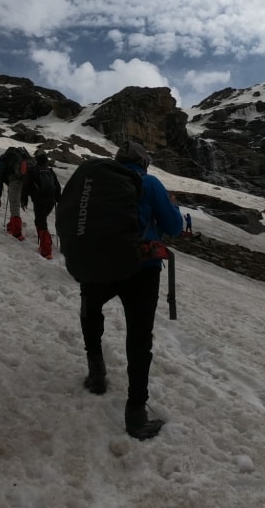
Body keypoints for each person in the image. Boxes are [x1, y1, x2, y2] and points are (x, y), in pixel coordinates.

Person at [79, 140, 183, 441]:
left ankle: (96, 371)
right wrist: (171, 206)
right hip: (142, 269)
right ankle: (135, 413)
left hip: (100, 264)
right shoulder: (149, 183)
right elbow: (174, 228)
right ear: (144, 162)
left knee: (91, 310)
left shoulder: (96, 180)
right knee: (139, 339)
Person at [22, 151, 61, 259]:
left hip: (39, 200)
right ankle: (43, 244)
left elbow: (26, 186)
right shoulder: (50, 171)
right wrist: (58, 199)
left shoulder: (33, 170)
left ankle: (46, 250)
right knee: (39, 220)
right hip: (51, 201)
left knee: (42, 222)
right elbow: (57, 187)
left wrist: (24, 200)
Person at [0, 147, 29, 240]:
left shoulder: (4, 161)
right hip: (23, 182)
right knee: (15, 204)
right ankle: (11, 227)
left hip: (14, 183)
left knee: (14, 205)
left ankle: (17, 233)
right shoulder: (19, 158)